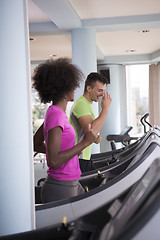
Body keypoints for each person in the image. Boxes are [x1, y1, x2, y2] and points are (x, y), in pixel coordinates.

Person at [32, 58, 97, 203]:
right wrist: (84, 143)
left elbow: (35, 144)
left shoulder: (55, 112)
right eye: (72, 85)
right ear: (62, 88)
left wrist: (72, 152)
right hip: (61, 185)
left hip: (70, 182)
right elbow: (54, 160)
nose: (74, 88)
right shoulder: (56, 115)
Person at [70, 72, 112, 173]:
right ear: (89, 89)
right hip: (79, 157)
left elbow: (88, 133)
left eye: (103, 91)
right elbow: (91, 131)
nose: (102, 95)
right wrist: (105, 109)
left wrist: (95, 138)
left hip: (84, 157)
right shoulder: (81, 104)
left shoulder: (87, 104)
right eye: (100, 91)